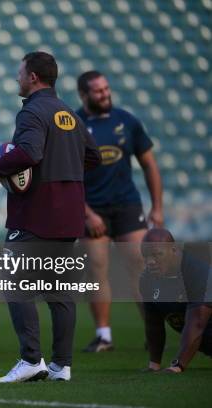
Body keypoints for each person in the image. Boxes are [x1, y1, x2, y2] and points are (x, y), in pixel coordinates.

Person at [0, 51, 101, 382]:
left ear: (33, 77)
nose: (17, 78)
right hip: (68, 215)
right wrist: (63, 171)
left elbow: (29, 153)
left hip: (35, 215)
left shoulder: (33, 111)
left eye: (20, 73)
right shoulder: (69, 114)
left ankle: (31, 360)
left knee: (13, 283)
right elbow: (93, 156)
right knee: (59, 292)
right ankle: (62, 366)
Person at [76, 71, 164, 352]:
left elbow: (149, 164)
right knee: (96, 269)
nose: (105, 94)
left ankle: (153, 335)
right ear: (84, 95)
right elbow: (67, 175)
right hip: (92, 208)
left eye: (106, 89)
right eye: (98, 91)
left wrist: (157, 208)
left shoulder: (127, 120)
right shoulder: (74, 125)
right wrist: (87, 213)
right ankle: (104, 336)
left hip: (127, 206)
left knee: (140, 268)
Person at [139, 228, 212, 373]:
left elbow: (197, 323)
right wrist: (154, 364)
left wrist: (178, 365)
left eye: (157, 255)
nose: (150, 262)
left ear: (174, 249)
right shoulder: (147, 278)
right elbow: (153, 322)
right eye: (146, 256)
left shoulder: (198, 273)